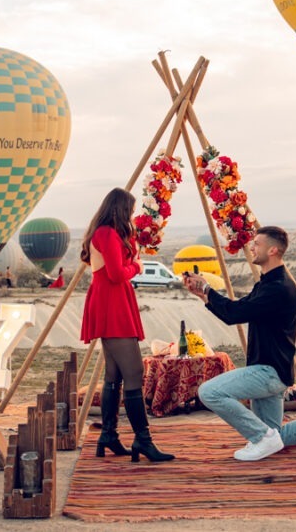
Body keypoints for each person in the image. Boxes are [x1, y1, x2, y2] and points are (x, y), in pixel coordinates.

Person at [183, 226, 296, 461]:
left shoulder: (277, 288)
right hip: (273, 370)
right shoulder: (269, 283)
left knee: (209, 392)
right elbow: (235, 311)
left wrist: (207, 289)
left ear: (273, 250)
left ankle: (262, 438)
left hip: (267, 371)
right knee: (277, 434)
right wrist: (204, 295)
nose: (252, 247)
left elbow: (235, 314)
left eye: (257, 244)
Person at [79, 187, 173, 463]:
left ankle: (109, 435)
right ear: (120, 209)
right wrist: (137, 267)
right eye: (130, 211)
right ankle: (143, 440)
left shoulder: (107, 233)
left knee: (115, 375)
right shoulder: (106, 233)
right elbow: (117, 273)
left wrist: (131, 250)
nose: (132, 215)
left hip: (112, 299)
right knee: (133, 374)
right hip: (112, 302)